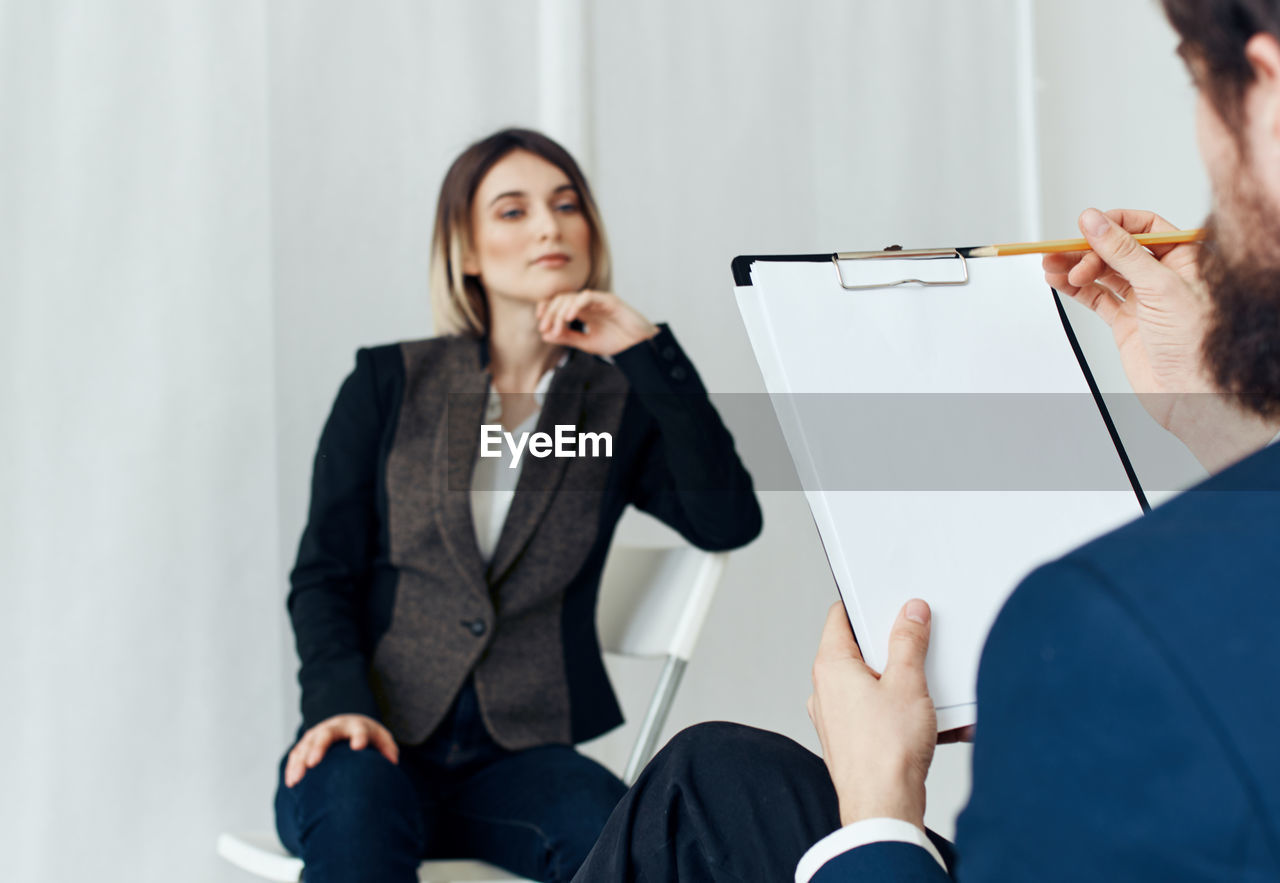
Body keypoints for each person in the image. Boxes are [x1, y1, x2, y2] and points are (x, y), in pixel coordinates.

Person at [569, 2, 1280, 880]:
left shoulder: (1095, 625)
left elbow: (721, 513)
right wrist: (1210, 406)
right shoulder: (401, 385)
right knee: (707, 775)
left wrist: (879, 805)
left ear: (1267, 93)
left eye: (1197, 90)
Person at [272, 128, 762, 883]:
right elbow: (322, 576)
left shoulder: (618, 407)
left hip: (522, 764)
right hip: (376, 745)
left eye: (567, 205)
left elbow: (728, 519)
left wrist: (645, 351)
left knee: (628, 839)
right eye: (513, 210)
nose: (548, 225)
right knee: (358, 824)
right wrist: (339, 703)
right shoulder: (385, 384)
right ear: (466, 249)